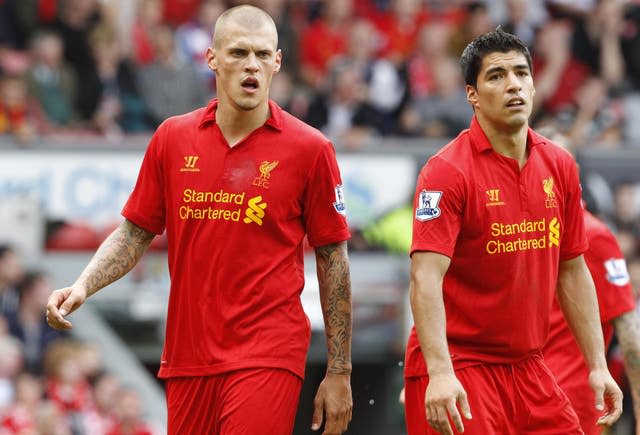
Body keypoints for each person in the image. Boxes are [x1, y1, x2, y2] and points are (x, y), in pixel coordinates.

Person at [46, 5, 353, 435]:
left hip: (268, 352)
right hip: (187, 355)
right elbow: (136, 231)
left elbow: (333, 258)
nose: (252, 65)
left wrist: (339, 370)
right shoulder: (173, 138)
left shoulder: (311, 149)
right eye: (239, 53)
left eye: (264, 55)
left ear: (278, 62)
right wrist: (83, 284)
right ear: (211, 58)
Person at [403, 28, 622, 435]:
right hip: (461, 365)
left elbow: (572, 270)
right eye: (497, 76)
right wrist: (439, 371)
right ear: (472, 94)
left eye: (521, 73)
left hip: (529, 366)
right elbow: (424, 277)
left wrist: (597, 365)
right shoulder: (446, 171)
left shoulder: (559, 165)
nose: (513, 85)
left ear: (535, 84)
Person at [544, 206, 639, 435]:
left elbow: (630, 334)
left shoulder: (591, 235)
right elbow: (631, 335)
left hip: (564, 402)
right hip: (548, 399)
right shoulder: (590, 233)